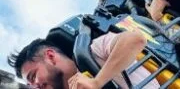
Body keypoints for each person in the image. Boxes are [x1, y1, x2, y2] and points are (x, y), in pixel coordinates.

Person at [8, 32, 149, 89]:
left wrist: (97, 82)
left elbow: (136, 39)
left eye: (33, 77)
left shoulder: (92, 52)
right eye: (30, 85)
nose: (35, 86)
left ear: (50, 56)